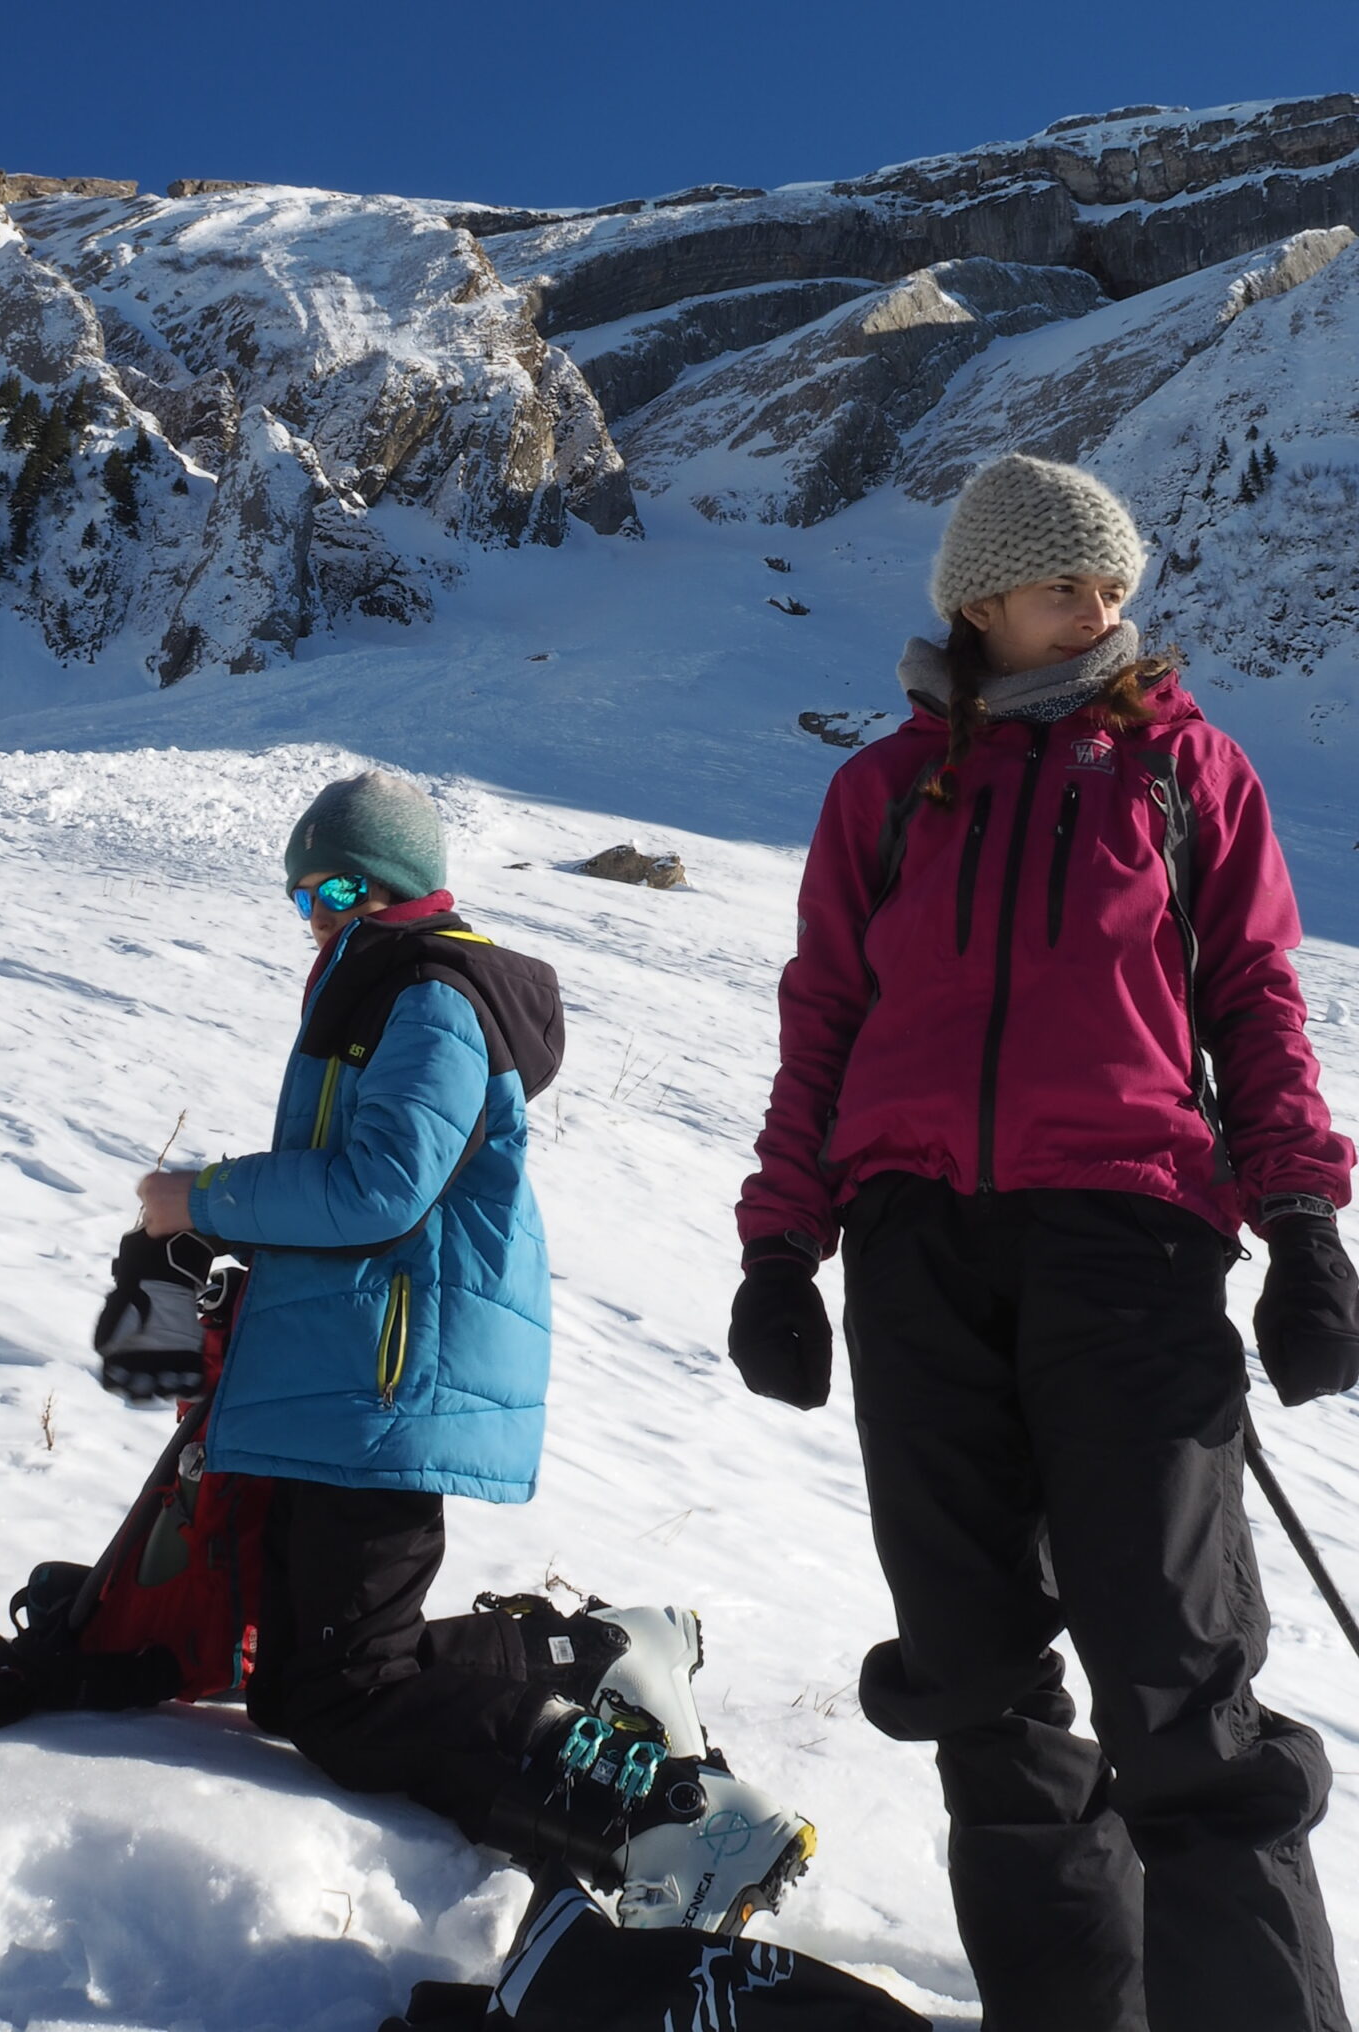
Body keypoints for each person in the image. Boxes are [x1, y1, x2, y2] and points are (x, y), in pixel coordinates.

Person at [727, 454, 1359, 2032]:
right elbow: (823, 1026)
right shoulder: (884, 794)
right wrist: (781, 1251)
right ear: (982, 602)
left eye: (1111, 583)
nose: (1100, 610)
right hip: (915, 1254)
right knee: (981, 1678)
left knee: (1179, 1681)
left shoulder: (1180, 771)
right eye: (1066, 584)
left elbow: (1255, 1007)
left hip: (1129, 1247)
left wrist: (1302, 1222)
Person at [129, 767, 811, 1931]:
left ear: (397, 882)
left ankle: (671, 1822)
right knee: (307, 1682)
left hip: (388, 1386)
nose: (320, 909)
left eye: (341, 882)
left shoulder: (430, 997)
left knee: (347, 1697)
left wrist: (206, 1195)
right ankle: (585, 1652)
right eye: (304, 891)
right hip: (342, 1378)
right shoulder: (374, 993)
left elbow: (382, 1190)